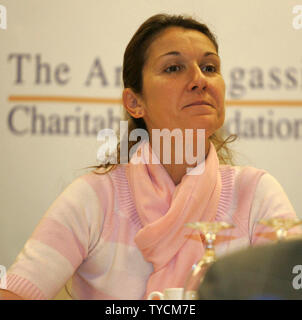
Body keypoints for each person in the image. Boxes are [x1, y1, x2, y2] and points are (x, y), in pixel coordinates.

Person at [0, 13, 299, 300]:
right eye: (173, 68)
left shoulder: (257, 193)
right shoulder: (94, 198)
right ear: (134, 102)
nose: (199, 80)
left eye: (209, 67)